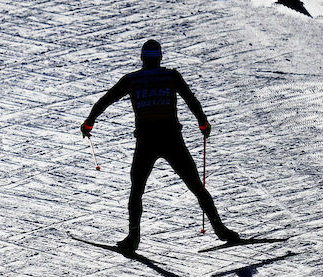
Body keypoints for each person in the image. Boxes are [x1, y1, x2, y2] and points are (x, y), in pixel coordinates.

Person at [81, 39, 240, 254]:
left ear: (142, 59)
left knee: (137, 191)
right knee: (196, 186)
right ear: (160, 58)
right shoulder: (171, 76)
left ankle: (133, 237)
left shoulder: (132, 80)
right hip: (172, 139)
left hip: (146, 141)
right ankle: (221, 230)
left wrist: (89, 122)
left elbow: (106, 100)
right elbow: (191, 100)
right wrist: (203, 122)